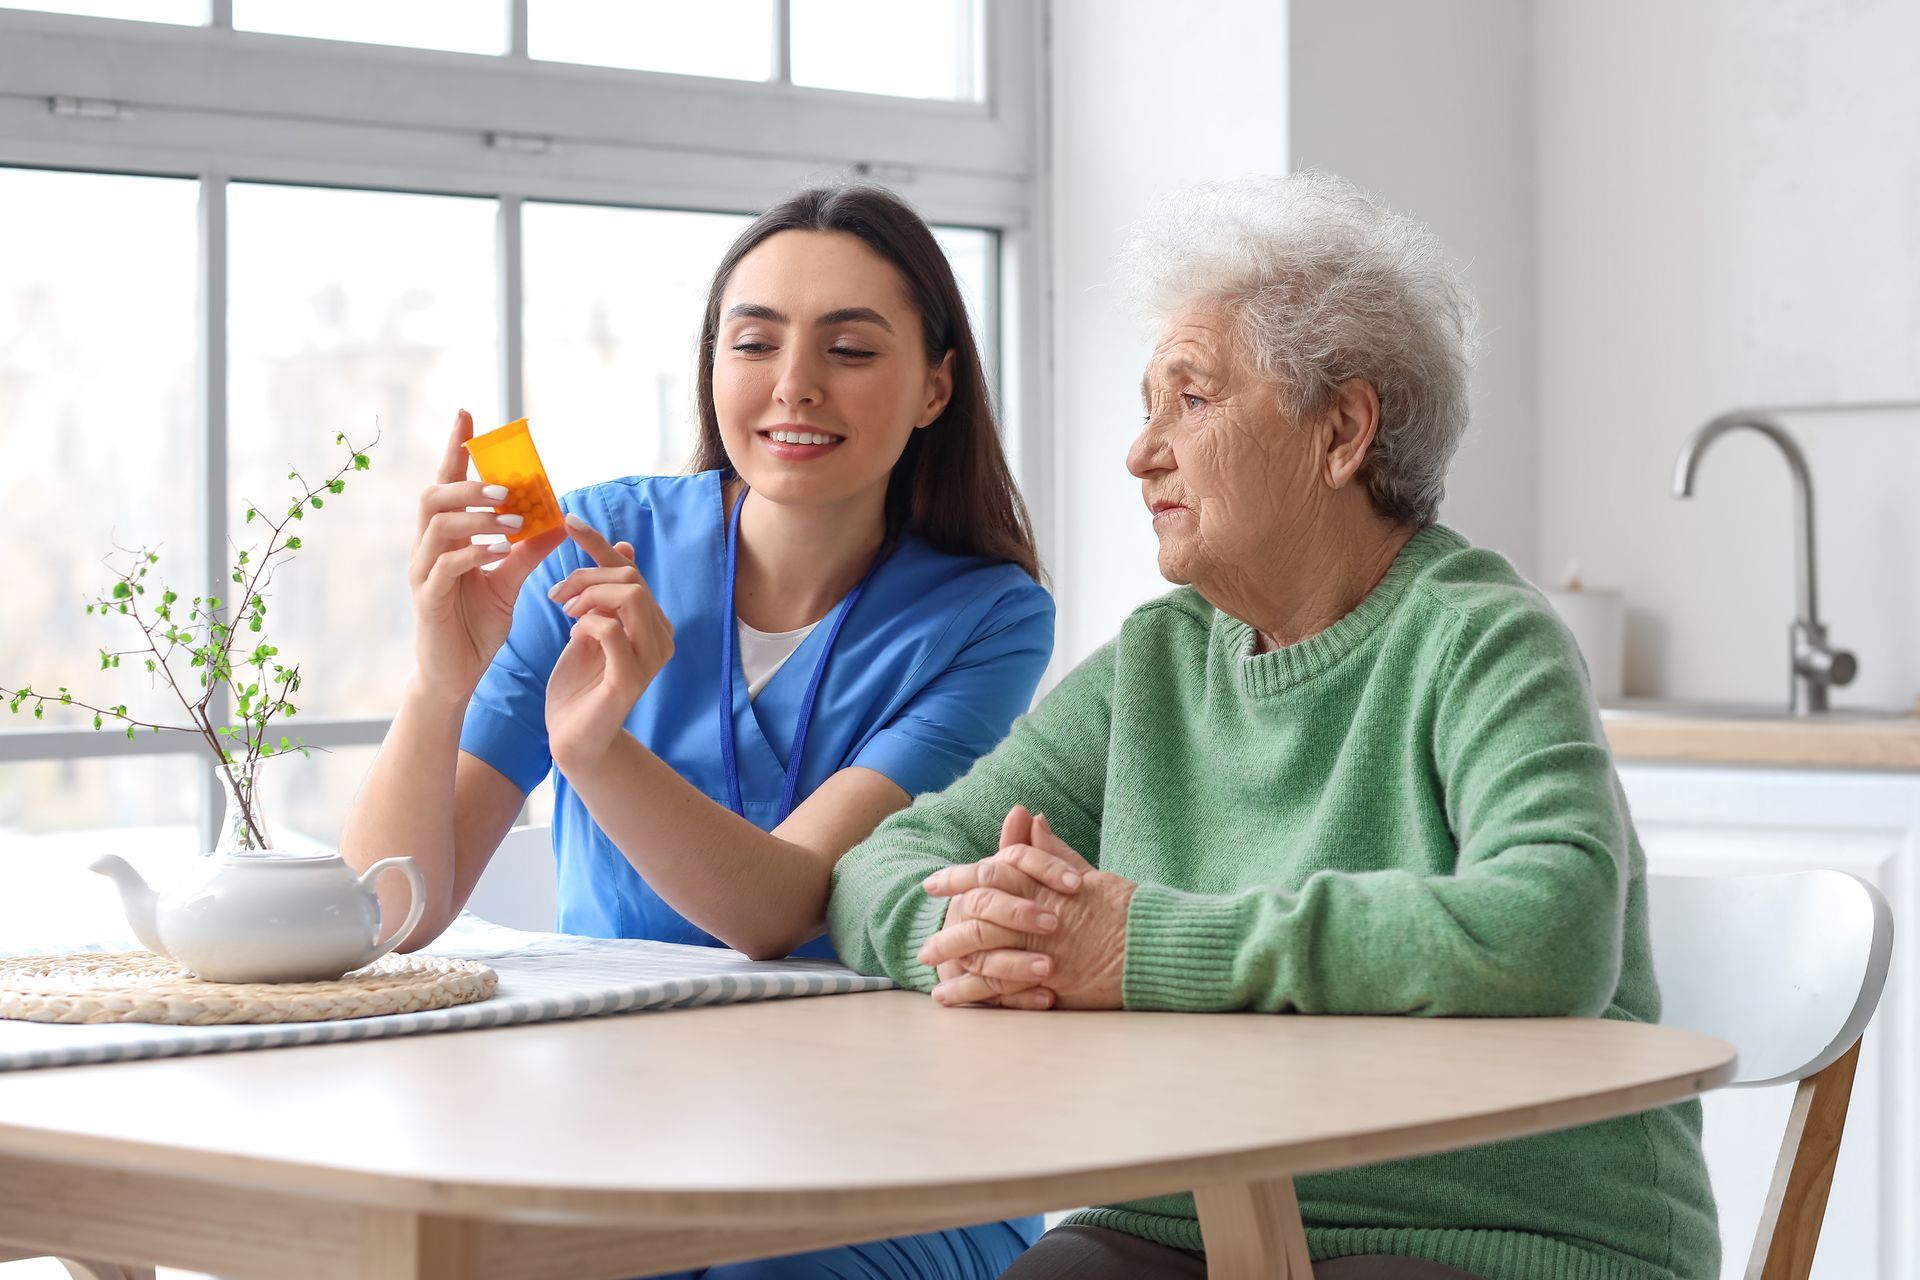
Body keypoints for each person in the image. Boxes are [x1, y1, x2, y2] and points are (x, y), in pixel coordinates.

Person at [825, 172, 1719, 1280]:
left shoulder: (1483, 637)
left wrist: (1137, 943)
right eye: (1144, 405)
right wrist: (1006, 945)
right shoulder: (1156, 660)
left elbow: (1551, 928)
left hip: (1497, 1224)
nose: (1141, 450)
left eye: (1190, 400)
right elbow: (878, 868)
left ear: (1342, 430)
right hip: (1181, 1209)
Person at [340, 184, 1053, 1279]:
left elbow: (779, 907)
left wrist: (594, 750)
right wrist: (440, 684)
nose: (794, 384)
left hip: (882, 1143)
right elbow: (388, 914)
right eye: (753, 341)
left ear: (935, 388)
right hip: (615, 1130)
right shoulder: (598, 548)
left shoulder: (988, 615)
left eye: (850, 349)